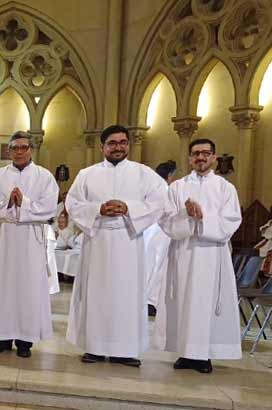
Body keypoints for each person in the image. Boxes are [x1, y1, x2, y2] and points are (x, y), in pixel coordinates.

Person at [65, 125, 166, 367]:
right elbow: (73, 203)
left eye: (122, 142)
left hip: (128, 242)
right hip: (97, 240)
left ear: (129, 145)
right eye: (112, 143)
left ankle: (126, 350)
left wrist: (129, 208)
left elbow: (160, 202)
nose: (118, 147)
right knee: (96, 295)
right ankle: (95, 347)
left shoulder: (145, 174)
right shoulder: (86, 174)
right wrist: (97, 209)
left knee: (128, 296)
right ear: (102, 147)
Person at [153, 139, 242, 373]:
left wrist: (202, 219)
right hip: (183, 252)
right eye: (195, 154)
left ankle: (203, 356)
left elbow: (231, 220)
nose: (200, 157)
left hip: (211, 255)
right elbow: (165, 220)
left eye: (205, 153)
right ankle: (184, 353)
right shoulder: (177, 187)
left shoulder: (225, 188)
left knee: (204, 304)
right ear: (189, 158)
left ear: (213, 157)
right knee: (182, 300)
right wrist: (185, 215)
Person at [0, 131, 58, 358]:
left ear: (31, 149)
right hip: (4, 238)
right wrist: (7, 202)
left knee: (27, 287)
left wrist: (25, 202)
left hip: (30, 238)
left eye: (24, 147)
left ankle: (24, 341)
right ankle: (1, 338)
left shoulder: (44, 176)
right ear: (9, 151)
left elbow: (50, 206)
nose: (19, 151)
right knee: (1, 286)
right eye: (15, 148)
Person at [143, 160, 176, 316]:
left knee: (150, 265)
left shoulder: (151, 189)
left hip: (149, 230)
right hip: (162, 232)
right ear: (170, 175)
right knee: (159, 266)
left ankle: (147, 299)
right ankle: (152, 300)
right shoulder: (168, 190)